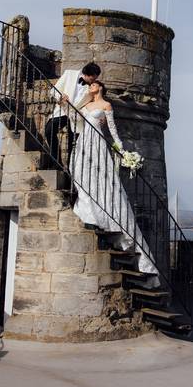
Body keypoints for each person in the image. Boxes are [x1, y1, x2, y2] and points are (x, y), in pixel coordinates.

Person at [70, 81, 157, 279]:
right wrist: (69, 102)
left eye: (92, 85)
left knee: (102, 179)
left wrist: (123, 152)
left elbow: (113, 130)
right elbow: (76, 119)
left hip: (97, 142)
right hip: (84, 140)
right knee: (82, 173)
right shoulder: (85, 105)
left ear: (99, 88)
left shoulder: (106, 106)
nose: (89, 86)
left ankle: (107, 218)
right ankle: (88, 207)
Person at [44, 62, 101, 166]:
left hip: (76, 117)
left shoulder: (91, 89)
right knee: (49, 131)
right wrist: (60, 97)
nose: (93, 81)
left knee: (72, 147)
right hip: (62, 111)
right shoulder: (69, 74)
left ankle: (70, 174)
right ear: (86, 74)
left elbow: (91, 104)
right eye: (92, 79)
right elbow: (53, 91)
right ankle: (56, 161)